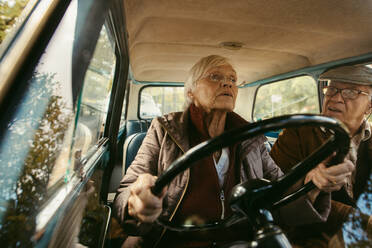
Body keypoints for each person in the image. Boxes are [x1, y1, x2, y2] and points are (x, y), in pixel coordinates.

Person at [113, 55, 353, 248]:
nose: (227, 83)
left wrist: (311, 182)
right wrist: (136, 201)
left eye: (232, 79)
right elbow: (128, 189)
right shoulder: (164, 130)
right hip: (175, 240)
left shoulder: (253, 138)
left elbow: (279, 192)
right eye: (215, 77)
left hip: (239, 242)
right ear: (191, 92)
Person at [270, 65, 372, 247]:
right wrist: (309, 182)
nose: (336, 98)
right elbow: (274, 196)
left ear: (370, 106)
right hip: (307, 234)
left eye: (350, 92)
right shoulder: (296, 133)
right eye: (332, 89)